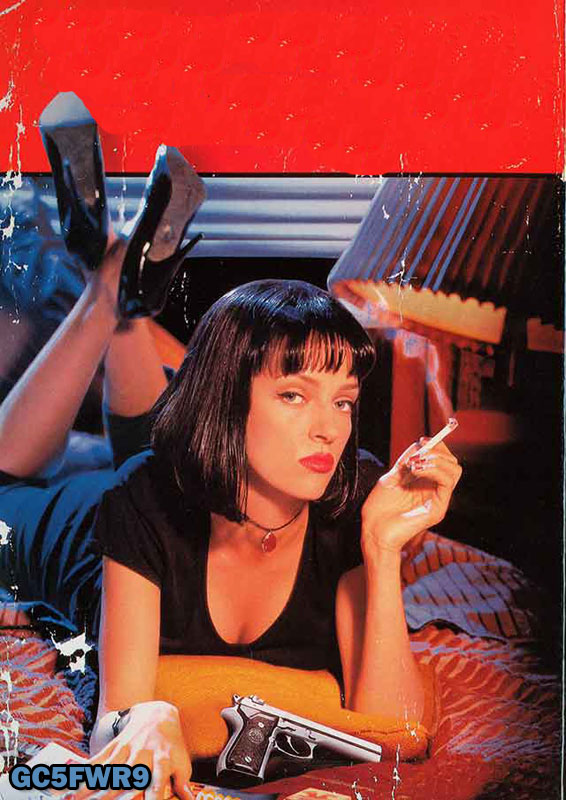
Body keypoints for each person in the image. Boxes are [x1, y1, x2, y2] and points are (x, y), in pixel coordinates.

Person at [0, 95, 462, 800]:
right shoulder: (140, 501)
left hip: (180, 459)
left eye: (343, 401)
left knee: (157, 436)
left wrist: (383, 548)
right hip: (92, 527)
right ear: (230, 404)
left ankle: (118, 283)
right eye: (295, 395)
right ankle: (107, 286)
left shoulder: (351, 501)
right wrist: (153, 714)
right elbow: (116, 728)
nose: (329, 428)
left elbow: (394, 733)